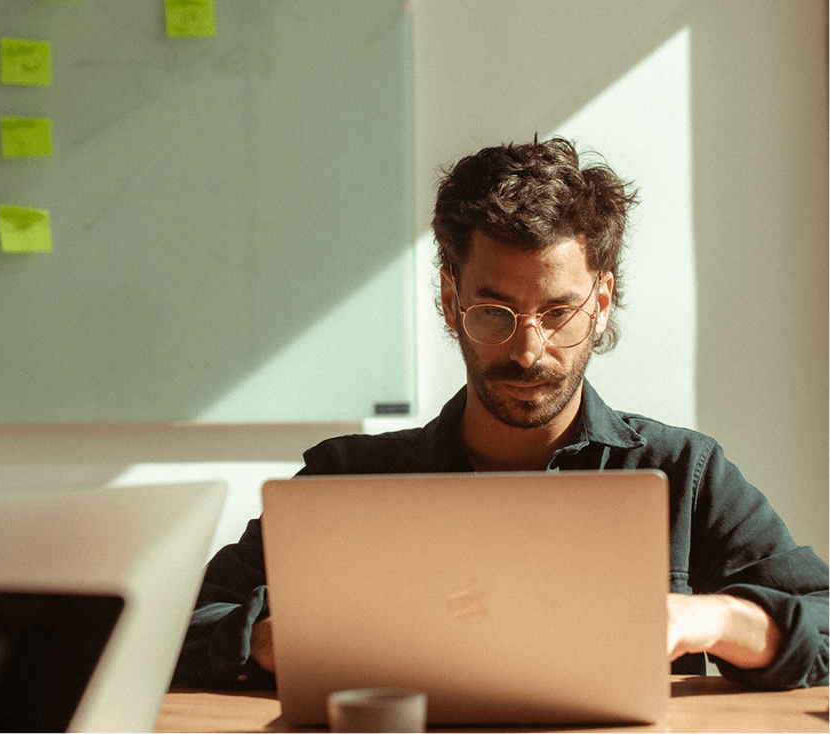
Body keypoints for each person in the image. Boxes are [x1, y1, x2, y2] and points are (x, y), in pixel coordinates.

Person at [171, 137, 830, 692]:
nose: (528, 348)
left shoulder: (683, 473)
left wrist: (706, 621)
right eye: (495, 312)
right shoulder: (345, 478)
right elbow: (171, 635)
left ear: (601, 303)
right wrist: (267, 639)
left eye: (558, 312)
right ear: (449, 296)